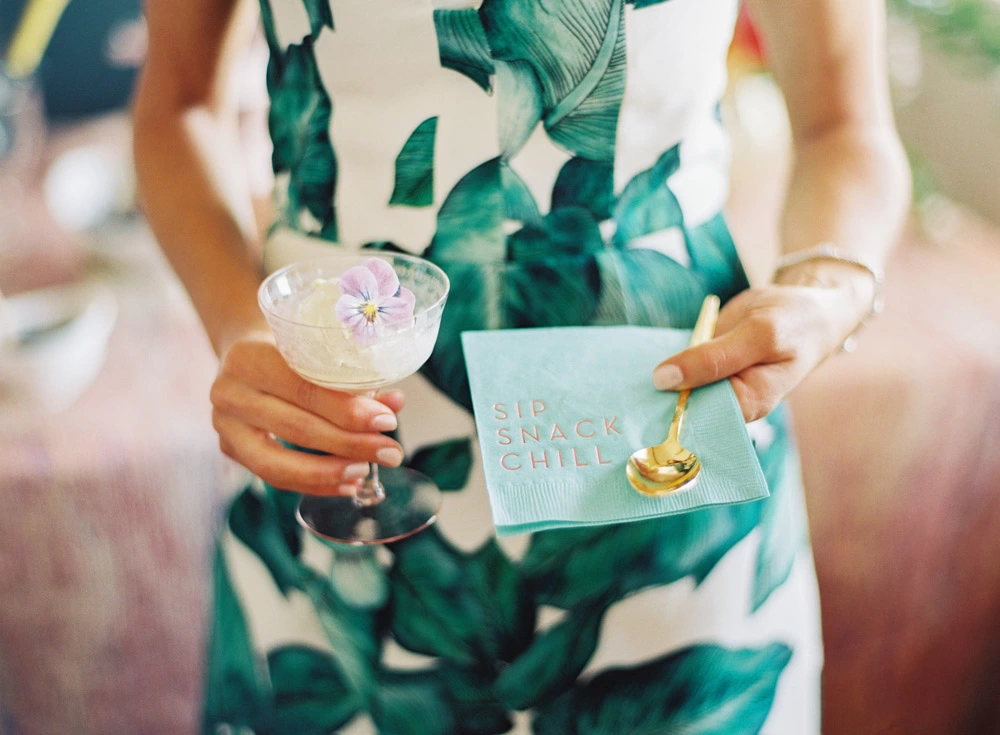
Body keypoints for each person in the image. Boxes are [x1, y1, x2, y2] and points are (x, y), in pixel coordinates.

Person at [133, 0, 909, 731]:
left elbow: (845, 125)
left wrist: (828, 287)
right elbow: (179, 103)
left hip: (667, 466)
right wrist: (241, 324)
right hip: (337, 465)